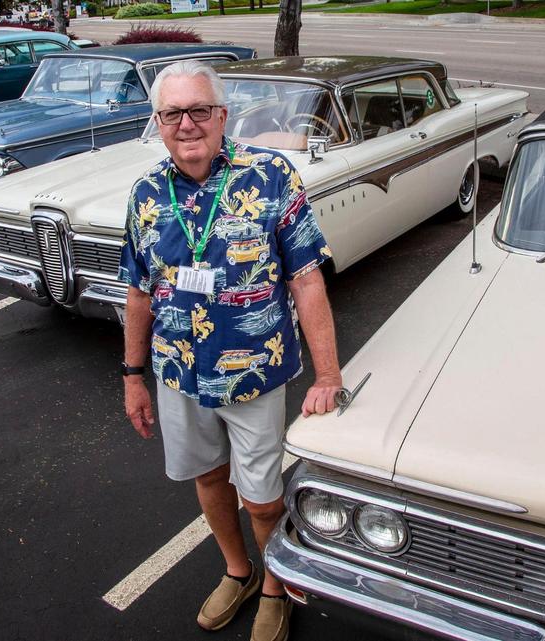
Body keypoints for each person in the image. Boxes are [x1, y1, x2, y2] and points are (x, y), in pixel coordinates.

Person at [119, 61, 342, 641]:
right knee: (209, 479)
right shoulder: (146, 194)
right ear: (158, 122)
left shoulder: (271, 175)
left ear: (222, 115)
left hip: (253, 374)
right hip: (179, 373)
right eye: (172, 113)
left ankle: (276, 586)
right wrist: (133, 376)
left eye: (199, 110)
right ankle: (238, 571)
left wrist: (328, 376)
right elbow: (138, 291)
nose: (186, 124)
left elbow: (307, 279)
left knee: (263, 500)